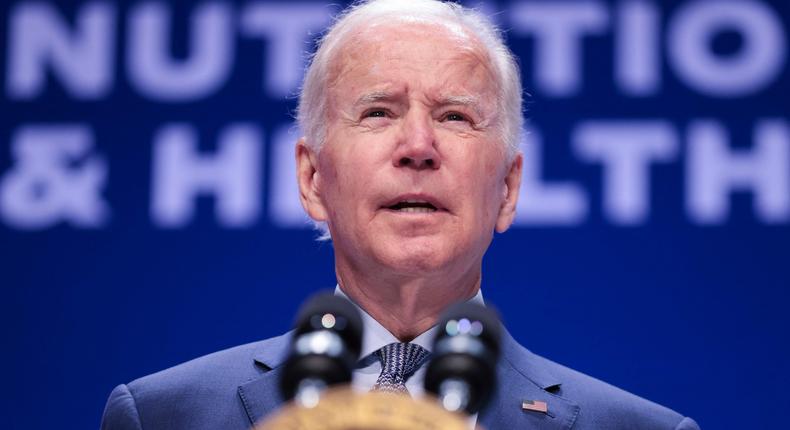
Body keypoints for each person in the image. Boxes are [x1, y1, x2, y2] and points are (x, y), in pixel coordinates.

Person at [101, 1, 700, 429]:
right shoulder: (165, 415)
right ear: (312, 179)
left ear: (508, 190)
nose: (418, 146)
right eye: (379, 113)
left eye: (455, 117)